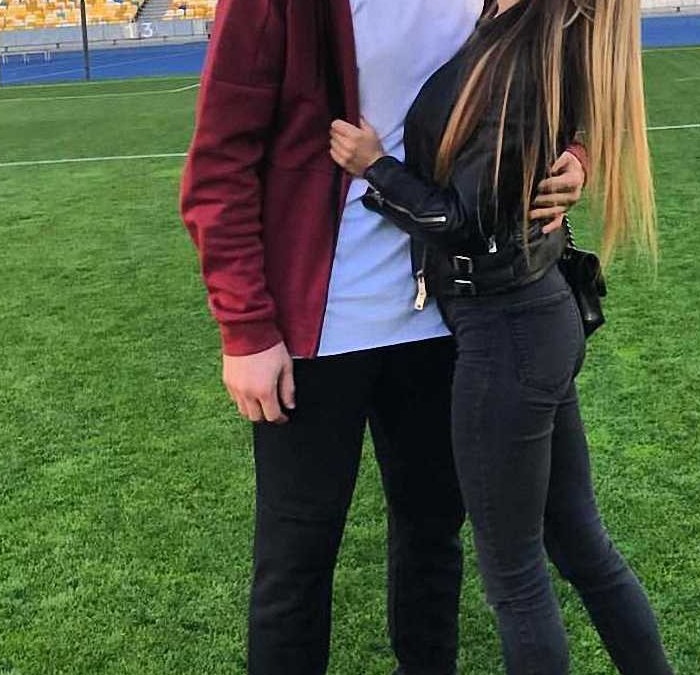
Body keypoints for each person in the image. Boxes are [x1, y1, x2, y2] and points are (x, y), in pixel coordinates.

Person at [179, 1, 588, 673]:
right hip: (319, 326)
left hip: (448, 317)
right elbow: (218, 164)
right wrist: (246, 328)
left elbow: (544, 80)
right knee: (296, 556)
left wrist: (573, 155)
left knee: (432, 535)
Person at [329, 0, 673, 673]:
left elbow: (466, 223)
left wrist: (375, 168)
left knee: (515, 578)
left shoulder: (529, 47)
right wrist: (579, 153)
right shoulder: (518, 25)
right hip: (533, 320)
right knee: (581, 545)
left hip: (507, 332)